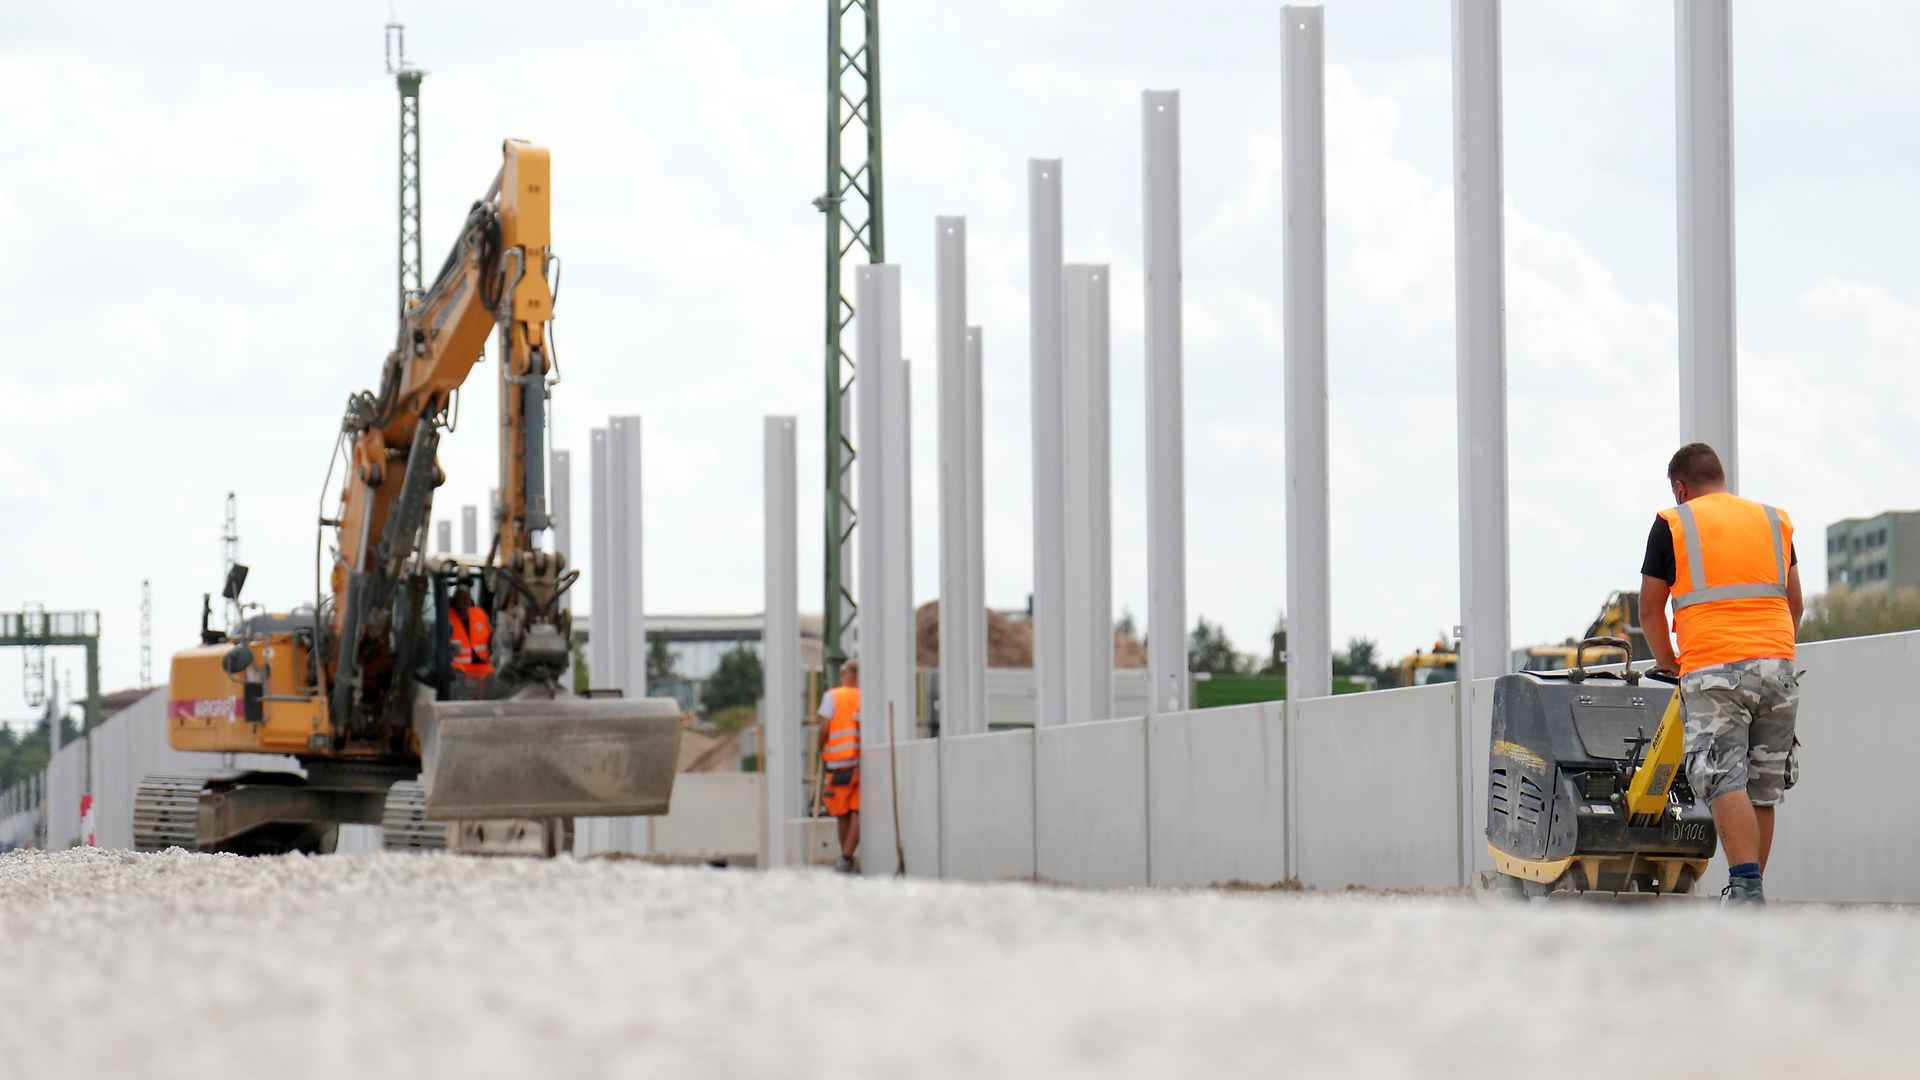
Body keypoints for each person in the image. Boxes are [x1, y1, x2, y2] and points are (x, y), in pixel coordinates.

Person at [1639, 443, 1802, 906]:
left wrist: (1671, 663)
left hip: (1713, 667)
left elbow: (1650, 609)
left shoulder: (1674, 522)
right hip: (1778, 663)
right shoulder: (1774, 520)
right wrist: (1774, 653)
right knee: (1763, 785)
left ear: (1680, 487)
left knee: (1722, 779)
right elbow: (1796, 605)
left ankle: (1747, 891)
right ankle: (1748, 893)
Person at [817, 659, 861, 873]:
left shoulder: (832, 696)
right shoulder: (864, 695)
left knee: (842, 813)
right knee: (857, 811)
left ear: (844, 673)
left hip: (840, 763)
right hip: (863, 763)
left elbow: (824, 729)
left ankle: (845, 858)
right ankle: (847, 856)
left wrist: (820, 748)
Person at [449, 585, 494, 679]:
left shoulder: (480, 614)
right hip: (459, 671)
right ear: (454, 601)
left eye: (466, 598)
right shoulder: (447, 618)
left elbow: (492, 637)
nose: (464, 602)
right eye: (460, 599)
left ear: (470, 601)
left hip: (483, 669)